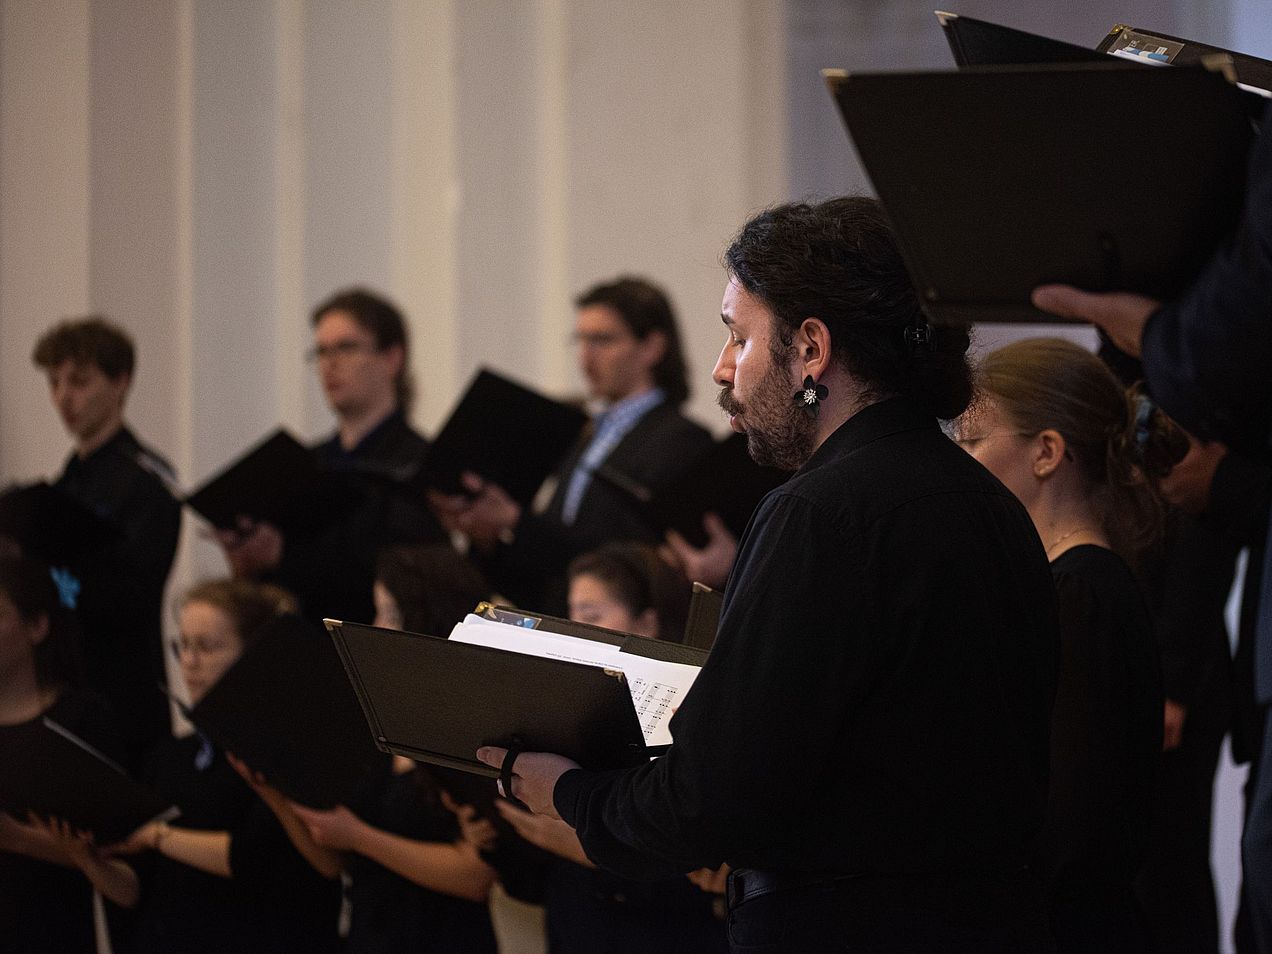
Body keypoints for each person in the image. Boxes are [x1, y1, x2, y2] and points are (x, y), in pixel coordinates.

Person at [478, 197, 1061, 952]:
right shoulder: (994, 506)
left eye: (738, 335)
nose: (723, 369)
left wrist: (567, 791)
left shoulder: (817, 513)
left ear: (811, 349)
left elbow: (715, 796)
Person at [1031, 103, 1272, 952]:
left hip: (1177, 662)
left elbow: (1200, 530)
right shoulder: (1121, 362)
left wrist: (1170, 678)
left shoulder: (1205, 361)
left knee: (1170, 869)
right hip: (1134, 643)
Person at [955, 337, 1185, 950]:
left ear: (1047, 453)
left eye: (973, 442)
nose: (958, 462)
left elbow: (1067, 818)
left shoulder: (1079, 595)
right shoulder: (1070, 587)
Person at [431, 276, 713, 614]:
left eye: (602, 341)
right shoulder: (585, 434)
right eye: (580, 341)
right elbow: (555, 577)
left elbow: (629, 561)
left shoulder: (680, 439)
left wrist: (516, 522)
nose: (585, 357)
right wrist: (488, 539)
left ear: (652, 347)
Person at [276, 544, 500, 953]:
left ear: (425, 621)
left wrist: (360, 837)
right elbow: (332, 860)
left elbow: (475, 878)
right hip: (370, 932)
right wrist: (271, 786)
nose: (375, 627)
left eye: (388, 613)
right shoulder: (376, 713)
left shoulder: (470, 729)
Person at [111, 579, 342, 953]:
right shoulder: (173, 753)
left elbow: (255, 858)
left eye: (206, 647)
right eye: (182, 645)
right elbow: (141, 884)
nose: (189, 662)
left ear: (255, 653)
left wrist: (157, 836)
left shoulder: (287, 751)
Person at [219, 288, 445, 624]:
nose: (329, 363)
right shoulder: (305, 463)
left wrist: (284, 556)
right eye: (321, 352)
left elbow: (400, 581)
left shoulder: (420, 463)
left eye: (345, 347)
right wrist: (248, 565)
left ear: (392, 358)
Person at [31, 316, 181, 767]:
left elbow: (130, 592)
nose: (63, 398)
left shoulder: (147, 480)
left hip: (122, 696)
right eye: (54, 382)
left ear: (120, 381)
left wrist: (54, 579)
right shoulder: (64, 484)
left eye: (78, 381)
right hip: (62, 687)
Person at [0, 554, 135, 952]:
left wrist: (18, 838)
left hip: (49, 931)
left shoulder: (81, 720)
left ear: (37, 626)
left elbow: (121, 856)